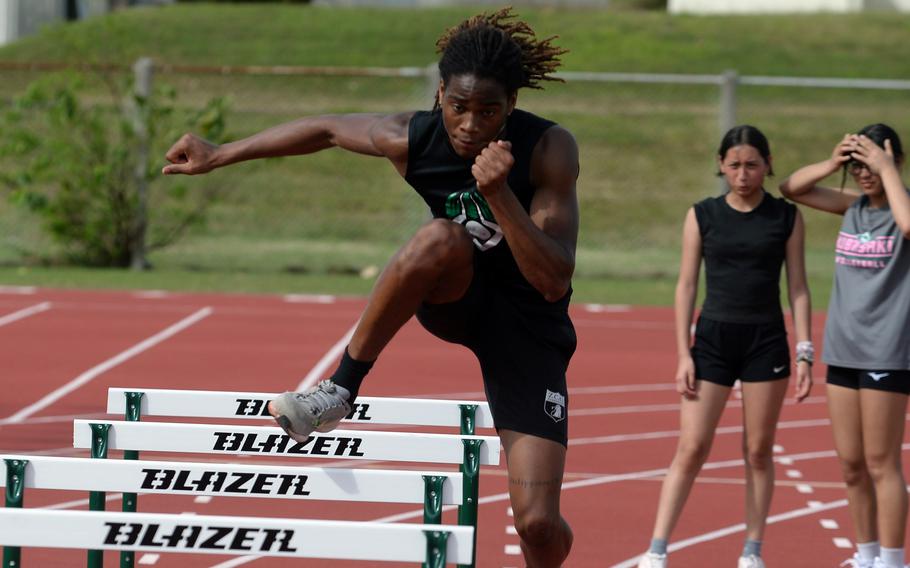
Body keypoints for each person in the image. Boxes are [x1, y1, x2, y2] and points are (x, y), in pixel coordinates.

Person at [163, 8, 578, 567]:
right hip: (457, 297)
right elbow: (327, 129)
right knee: (438, 238)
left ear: (511, 108)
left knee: (537, 524)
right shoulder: (412, 136)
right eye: (458, 107)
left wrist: (500, 193)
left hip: (527, 327)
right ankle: (339, 390)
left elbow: (553, 281)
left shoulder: (548, 149)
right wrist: (220, 153)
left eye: (488, 112)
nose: (470, 125)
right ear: (439, 95)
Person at [637, 125, 813, 568]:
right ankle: (657, 548)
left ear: (768, 165)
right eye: (734, 165)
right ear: (720, 165)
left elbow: (798, 287)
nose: (743, 174)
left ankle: (752, 550)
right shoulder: (702, 214)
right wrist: (683, 353)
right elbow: (686, 285)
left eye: (752, 165)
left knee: (757, 450)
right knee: (693, 446)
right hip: (712, 339)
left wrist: (806, 349)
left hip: (765, 340)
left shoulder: (786, 217)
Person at [779, 124, 910, 568]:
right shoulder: (852, 208)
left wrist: (886, 168)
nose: (863, 173)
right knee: (851, 463)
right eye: (857, 166)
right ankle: (866, 554)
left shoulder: (903, 208)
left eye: (868, 164)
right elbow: (792, 187)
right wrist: (834, 161)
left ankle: (893, 561)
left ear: (893, 162)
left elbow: (908, 223)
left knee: (881, 462)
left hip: (887, 351)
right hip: (843, 349)